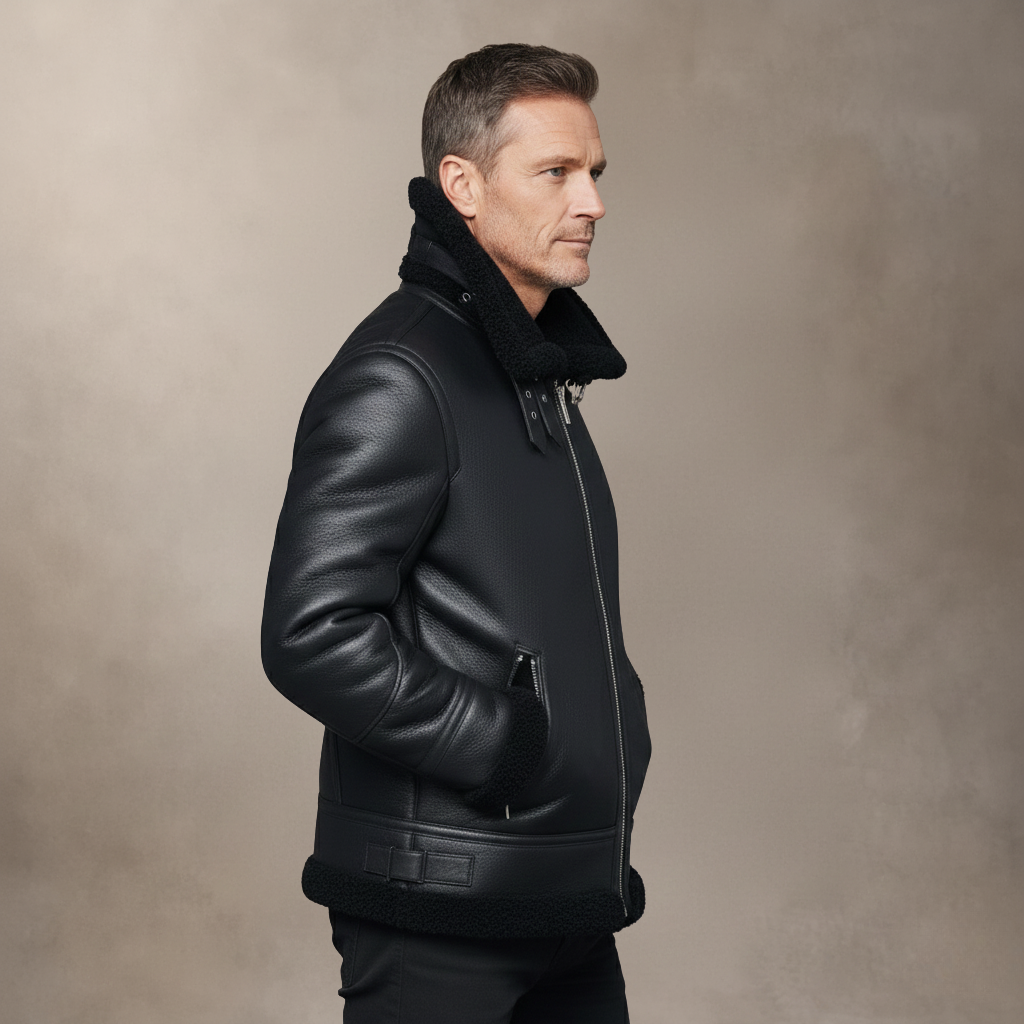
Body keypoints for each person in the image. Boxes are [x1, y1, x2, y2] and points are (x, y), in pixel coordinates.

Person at [261, 42, 652, 1023]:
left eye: (594, 171)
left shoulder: (533, 374)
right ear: (462, 186)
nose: (592, 202)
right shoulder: (403, 375)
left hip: (562, 895)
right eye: (556, 172)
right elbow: (310, 633)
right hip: (440, 905)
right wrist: (506, 743)